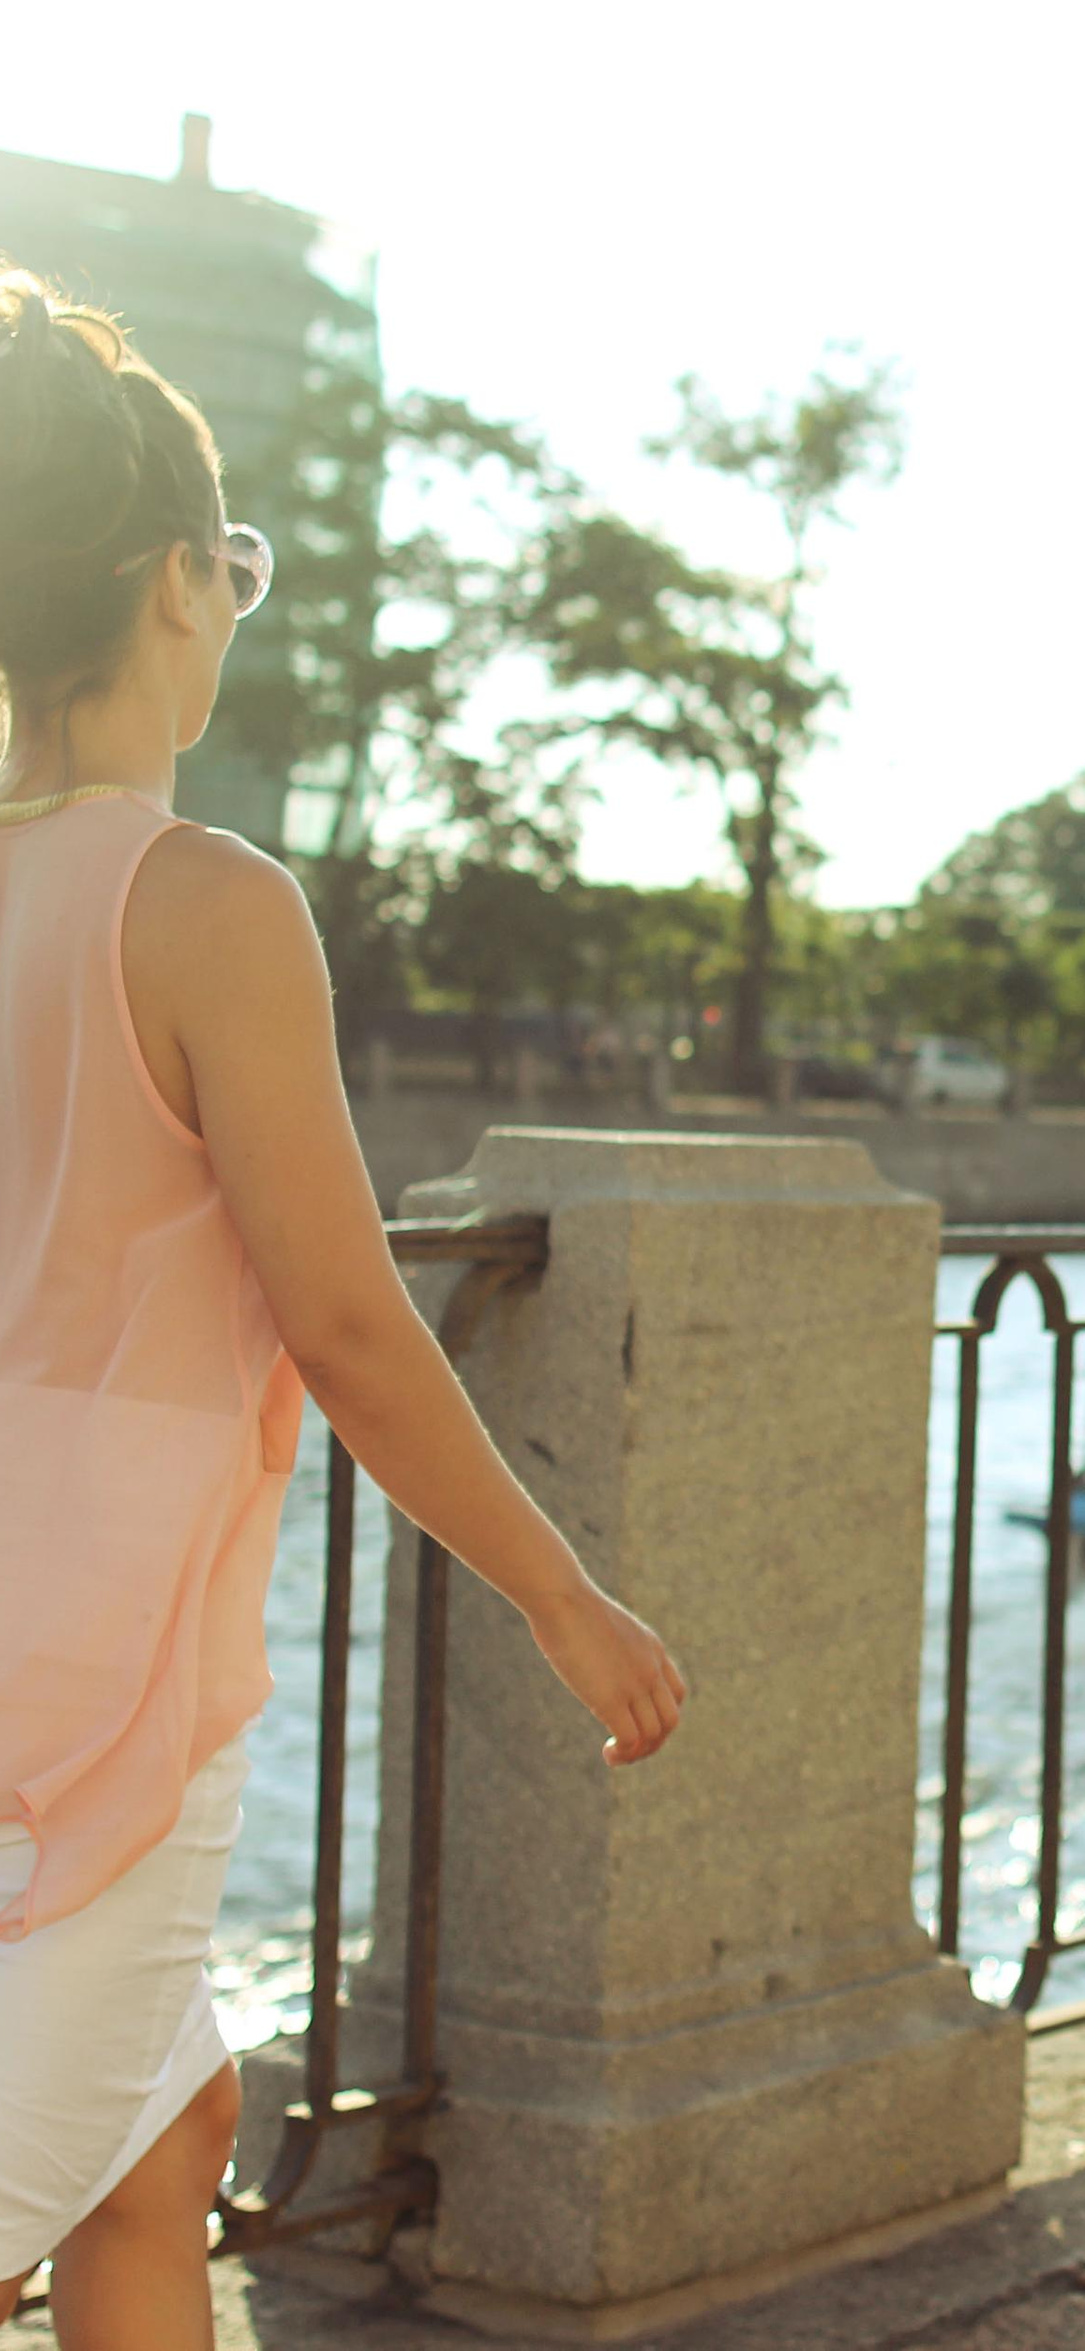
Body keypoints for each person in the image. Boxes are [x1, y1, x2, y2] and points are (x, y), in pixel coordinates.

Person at [0, 269, 686, 2342]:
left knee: (162, 2134)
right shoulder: (201, 903)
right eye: (236, 559)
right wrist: (565, 1592)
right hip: (99, 1655)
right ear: (170, 585)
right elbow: (351, 1316)